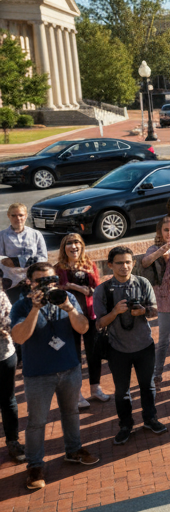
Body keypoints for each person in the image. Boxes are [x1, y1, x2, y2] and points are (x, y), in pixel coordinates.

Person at [13, 262, 98, 490]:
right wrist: (34, 309)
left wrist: (70, 308)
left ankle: (74, 450)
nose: (47, 285)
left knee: (71, 413)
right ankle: (35, 466)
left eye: (51, 280)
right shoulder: (21, 306)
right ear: (30, 282)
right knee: (37, 422)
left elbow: (83, 328)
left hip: (70, 369)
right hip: (38, 375)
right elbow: (19, 337)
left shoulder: (66, 298)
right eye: (41, 281)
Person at [94, 246, 164, 446]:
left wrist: (143, 311)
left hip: (144, 345)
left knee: (148, 386)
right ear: (110, 265)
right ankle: (125, 425)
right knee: (121, 390)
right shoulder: (103, 290)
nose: (124, 266)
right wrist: (115, 312)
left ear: (133, 263)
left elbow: (155, 311)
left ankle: (150, 419)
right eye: (119, 263)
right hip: (117, 349)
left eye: (127, 262)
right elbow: (99, 323)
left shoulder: (142, 283)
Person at [54, 233, 111, 409]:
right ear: (64, 247)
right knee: (74, 355)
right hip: (69, 317)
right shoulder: (58, 268)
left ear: (82, 246)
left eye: (77, 242)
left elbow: (96, 288)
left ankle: (95, 388)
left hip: (90, 314)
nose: (74, 246)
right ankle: (77, 393)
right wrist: (76, 287)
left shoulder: (89, 264)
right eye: (69, 243)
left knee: (93, 352)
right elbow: (58, 288)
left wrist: (83, 285)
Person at [140, 216, 170, 382]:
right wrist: (161, 252)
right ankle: (157, 373)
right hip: (164, 300)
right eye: (166, 230)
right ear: (160, 232)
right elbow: (145, 262)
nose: (169, 233)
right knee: (164, 339)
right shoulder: (155, 248)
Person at [0, 203, 48, 307]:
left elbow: (43, 258)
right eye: (13, 215)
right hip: (12, 283)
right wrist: (30, 260)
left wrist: (16, 261)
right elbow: (2, 261)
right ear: (8, 216)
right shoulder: (2, 236)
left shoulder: (36, 234)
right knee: (15, 311)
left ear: (25, 216)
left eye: (21, 215)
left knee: (36, 308)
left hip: (33, 281)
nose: (18, 218)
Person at [0, 288, 24, 464]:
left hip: (4, 356)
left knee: (8, 400)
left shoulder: (0, 295)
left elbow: (10, 323)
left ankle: (12, 441)